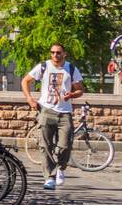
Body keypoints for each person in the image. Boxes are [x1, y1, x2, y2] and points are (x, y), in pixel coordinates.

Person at [21, 43, 84, 191]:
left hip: (64, 112)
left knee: (65, 145)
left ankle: (61, 167)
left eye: (58, 52)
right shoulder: (44, 66)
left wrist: (73, 94)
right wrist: (29, 98)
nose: (55, 55)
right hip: (46, 110)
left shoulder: (71, 68)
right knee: (45, 145)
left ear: (64, 54)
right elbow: (25, 81)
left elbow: (81, 90)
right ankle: (49, 177)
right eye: (53, 52)